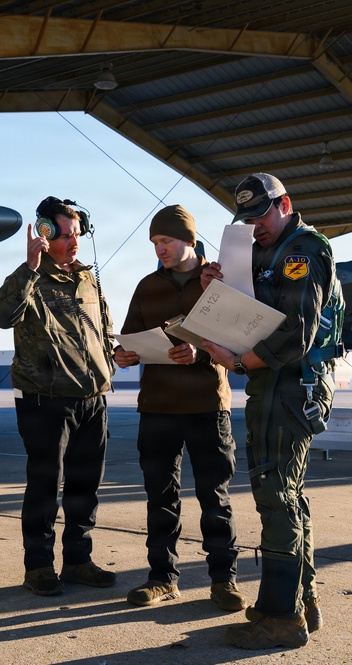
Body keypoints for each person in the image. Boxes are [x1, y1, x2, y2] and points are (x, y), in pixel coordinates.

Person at [199, 174, 337, 650]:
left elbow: (294, 335)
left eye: (262, 215)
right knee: (289, 495)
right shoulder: (268, 252)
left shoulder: (302, 252)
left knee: (276, 495)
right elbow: (255, 308)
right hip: (278, 387)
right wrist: (213, 287)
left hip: (289, 388)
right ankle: (300, 603)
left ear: (285, 205)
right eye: (249, 218)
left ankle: (281, 619)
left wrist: (238, 361)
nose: (255, 225)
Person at [114, 205, 247, 613]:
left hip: (207, 405)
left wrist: (201, 354)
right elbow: (129, 335)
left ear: (189, 240)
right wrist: (123, 354)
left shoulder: (218, 280)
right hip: (157, 406)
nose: (160, 250)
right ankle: (161, 579)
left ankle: (223, 581)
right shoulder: (146, 285)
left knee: (214, 497)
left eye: (166, 241)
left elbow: (239, 339)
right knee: (161, 497)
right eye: (155, 243)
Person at [0, 196, 117, 597]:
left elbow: (103, 329)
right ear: (45, 234)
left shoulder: (87, 279)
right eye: (65, 235)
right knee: (45, 486)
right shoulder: (30, 278)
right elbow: (0, 314)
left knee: (85, 486)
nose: (74, 242)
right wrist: (29, 267)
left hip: (92, 399)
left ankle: (78, 560)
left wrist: (114, 358)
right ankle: (39, 566)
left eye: (78, 234)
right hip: (45, 400)